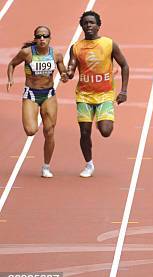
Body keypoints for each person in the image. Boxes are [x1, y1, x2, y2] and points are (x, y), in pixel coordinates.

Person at [65, 11, 129, 177]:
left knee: (106, 131)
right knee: (84, 133)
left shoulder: (109, 44)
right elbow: (71, 67)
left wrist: (123, 91)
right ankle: (89, 164)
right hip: (84, 95)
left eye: (92, 22)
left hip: (105, 94)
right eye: (85, 23)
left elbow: (125, 66)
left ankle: (100, 119)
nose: (88, 25)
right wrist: (68, 73)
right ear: (82, 26)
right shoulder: (76, 47)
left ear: (98, 25)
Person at [6, 26, 68, 178]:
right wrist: (11, 78)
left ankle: (46, 167)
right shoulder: (27, 53)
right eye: (39, 36)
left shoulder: (56, 55)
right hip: (31, 94)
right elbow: (12, 64)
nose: (42, 39)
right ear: (35, 38)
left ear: (49, 38)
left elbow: (64, 73)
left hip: (49, 95)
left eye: (45, 36)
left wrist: (66, 76)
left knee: (49, 131)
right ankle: (35, 116)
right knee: (31, 130)